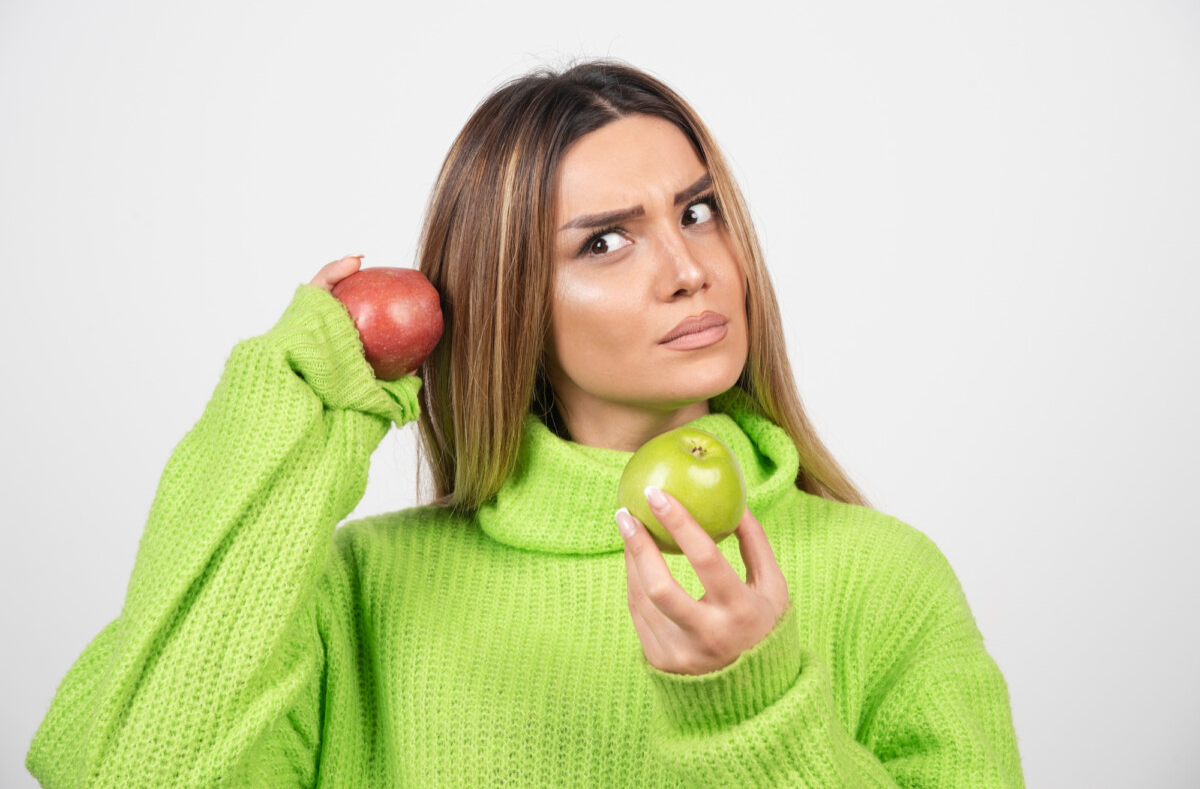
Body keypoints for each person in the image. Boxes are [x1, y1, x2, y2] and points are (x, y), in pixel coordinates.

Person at [26, 59, 1024, 788]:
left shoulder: (885, 575)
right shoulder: (354, 592)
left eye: (698, 210)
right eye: (603, 241)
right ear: (508, 301)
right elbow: (129, 770)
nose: (687, 268)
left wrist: (751, 704)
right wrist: (289, 411)